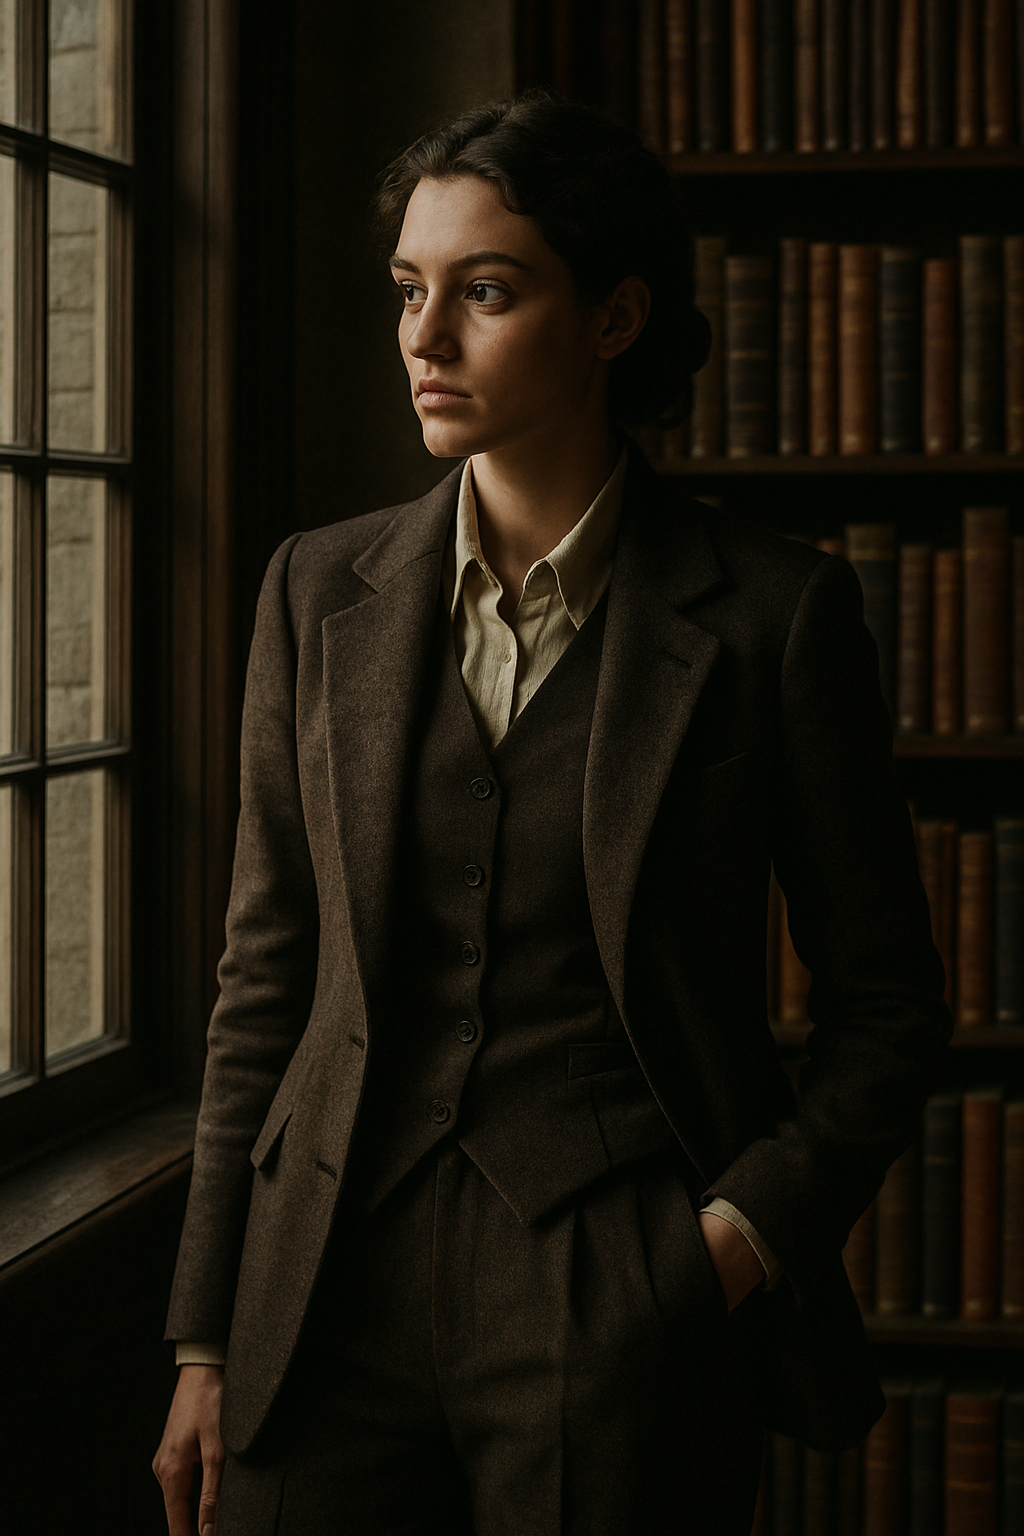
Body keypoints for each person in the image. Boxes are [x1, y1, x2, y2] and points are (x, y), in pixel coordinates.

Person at [153, 89, 951, 1536]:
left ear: (613, 317)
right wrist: (205, 1335)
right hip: (319, 1292)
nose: (424, 338)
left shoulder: (774, 616)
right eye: (408, 290)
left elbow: (887, 1005)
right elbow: (266, 980)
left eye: (485, 291)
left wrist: (722, 1249)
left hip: (615, 1301)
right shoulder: (313, 592)